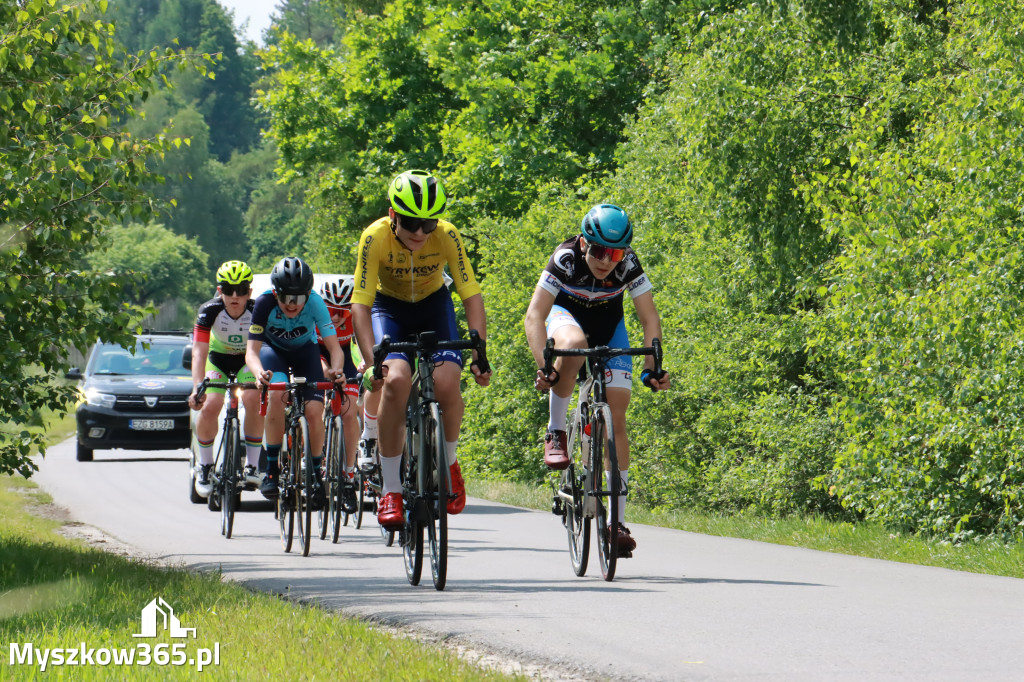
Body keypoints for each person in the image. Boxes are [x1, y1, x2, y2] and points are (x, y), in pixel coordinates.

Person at [524, 204, 670, 554]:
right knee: (573, 346)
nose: (608, 260)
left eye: (616, 252)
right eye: (601, 250)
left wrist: (653, 367)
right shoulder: (565, 259)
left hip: (609, 325)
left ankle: (616, 521)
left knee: (617, 410)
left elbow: (649, 319)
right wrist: (544, 365)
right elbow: (534, 315)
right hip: (565, 316)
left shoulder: (629, 264)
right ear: (585, 243)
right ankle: (556, 429)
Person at [352, 169, 491, 530]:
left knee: (447, 380)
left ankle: (449, 462)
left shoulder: (446, 236)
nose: (418, 233)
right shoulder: (375, 237)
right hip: (390, 309)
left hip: (433, 305)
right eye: (411, 223)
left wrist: (480, 352)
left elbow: (471, 296)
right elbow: (361, 306)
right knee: (396, 381)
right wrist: (372, 362)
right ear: (393, 214)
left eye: (427, 224)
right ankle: (392, 490)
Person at [246, 256, 345, 507]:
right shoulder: (264, 303)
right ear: (275, 293)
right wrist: (259, 373)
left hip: (305, 352)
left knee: (314, 410)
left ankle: (314, 472)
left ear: (308, 294)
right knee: (276, 395)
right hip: (273, 352)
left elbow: (334, 348)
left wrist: (336, 370)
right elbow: (252, 352)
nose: (292, 305)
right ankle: (271, 469)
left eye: (299, 298)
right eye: (286, 298)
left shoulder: (315, 303)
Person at [188, 260, 265, 497]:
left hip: (246, 361)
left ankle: (252, 465)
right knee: (211, 405)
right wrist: (197, 388)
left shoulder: (257, 310)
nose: (234, 296)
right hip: (217, 361)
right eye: (228, 289)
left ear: (249, 292)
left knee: (253, 398)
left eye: (241, 290)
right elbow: (199, 352)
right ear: (219, 290)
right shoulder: (208, 310)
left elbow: (267, 348)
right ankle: (206, 467)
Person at [317, 277, 360, 513]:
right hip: (319, 352)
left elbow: (361, 346)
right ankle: (310, 457)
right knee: (311, 405)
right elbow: (315, 352)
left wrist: (364, 366)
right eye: (330, 310)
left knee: (349, 411)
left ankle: (349, 475)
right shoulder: (314, 315)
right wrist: (326, 372)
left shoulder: (357, 316)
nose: (334, 317)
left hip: (346, 355)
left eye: (342, 312)